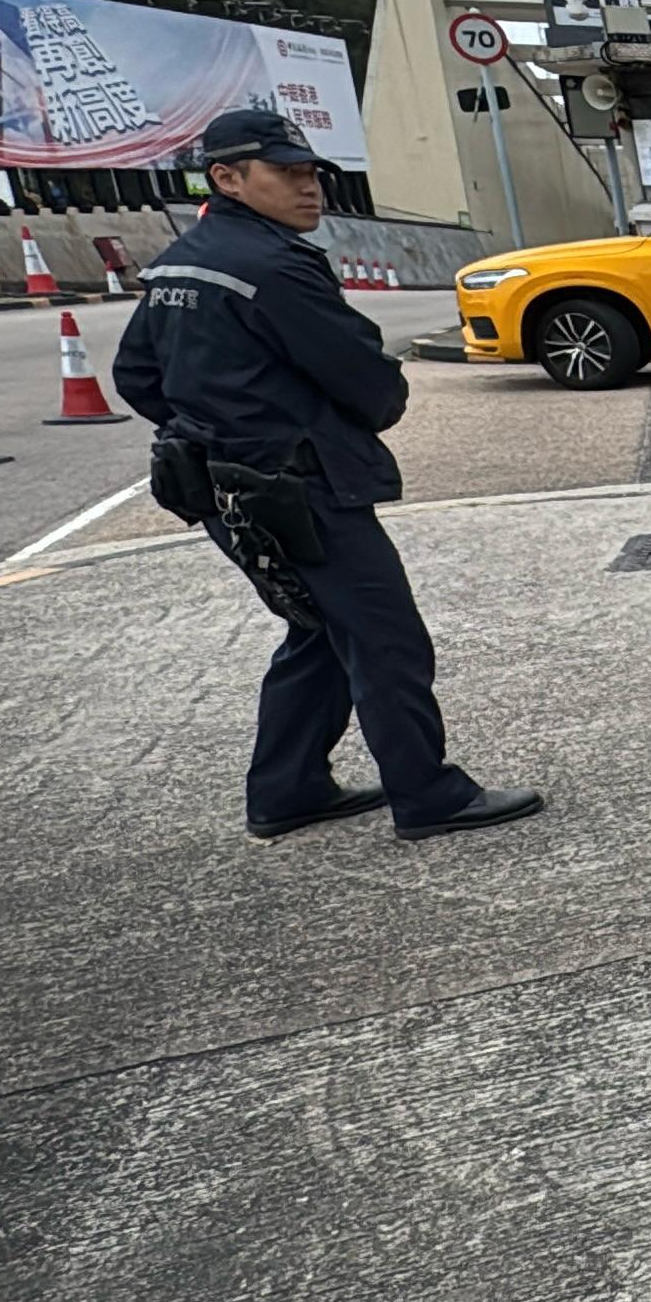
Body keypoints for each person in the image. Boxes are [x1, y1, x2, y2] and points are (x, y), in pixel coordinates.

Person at [114, 109, 541, 843]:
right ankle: (428, 794)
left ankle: (289, 789)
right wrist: (302, 421)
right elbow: (368, 383)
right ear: (228, 177)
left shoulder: (183, 261)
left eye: (312, 173)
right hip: (298, 490)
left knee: (315, 633)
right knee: (384, 640)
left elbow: (137, 375)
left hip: (226, 487)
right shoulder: (272, 265)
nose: (309, 189)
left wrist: (213, 428)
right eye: (288, 174)